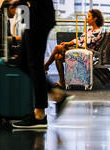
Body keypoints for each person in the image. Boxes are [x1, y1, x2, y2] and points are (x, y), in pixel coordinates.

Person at [8, 0, 71, 129]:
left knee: (34, 63)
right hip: (33, 16)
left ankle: (40, 114)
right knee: (23, 62)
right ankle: (56, 95)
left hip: (39, 17)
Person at [44, 9, 104, 88]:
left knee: (57, 47)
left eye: (89, 17)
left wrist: (73, 45)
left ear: (95, 18)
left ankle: (46, 66)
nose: (87, 19)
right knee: (57, 57)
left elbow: (88, 43)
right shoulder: (89, 29)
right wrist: (68, 43)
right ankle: (61, 81)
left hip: (85, 54)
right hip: (80, 50)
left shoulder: (98, 32)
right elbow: (80, 39)